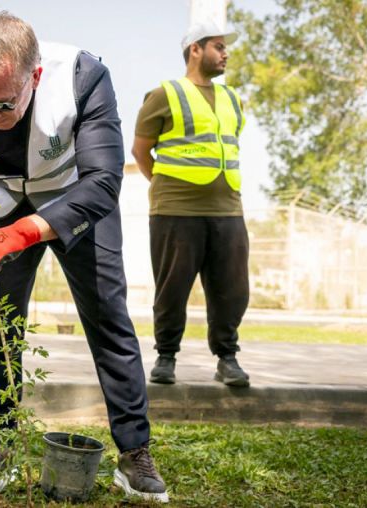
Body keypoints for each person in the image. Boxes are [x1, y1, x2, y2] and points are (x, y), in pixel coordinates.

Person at [0, 11, 168, 503]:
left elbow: (104, 181)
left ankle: (134, 451)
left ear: (34, 77)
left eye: (3, 105)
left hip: (75, 197)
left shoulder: (83, 77)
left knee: (109, 319)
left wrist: (30, 230)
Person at [131, 19, 250, 387]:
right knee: (172, 287)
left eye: (225, 47)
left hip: (228, 209)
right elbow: (140, 150)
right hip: (175, 211)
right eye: (218, 46)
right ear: (195, 49)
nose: (225, 53)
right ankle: (166, 356)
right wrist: (166, 186)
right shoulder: (165, 94)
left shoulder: (232, 98)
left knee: (232, 289)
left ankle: (227, 359)